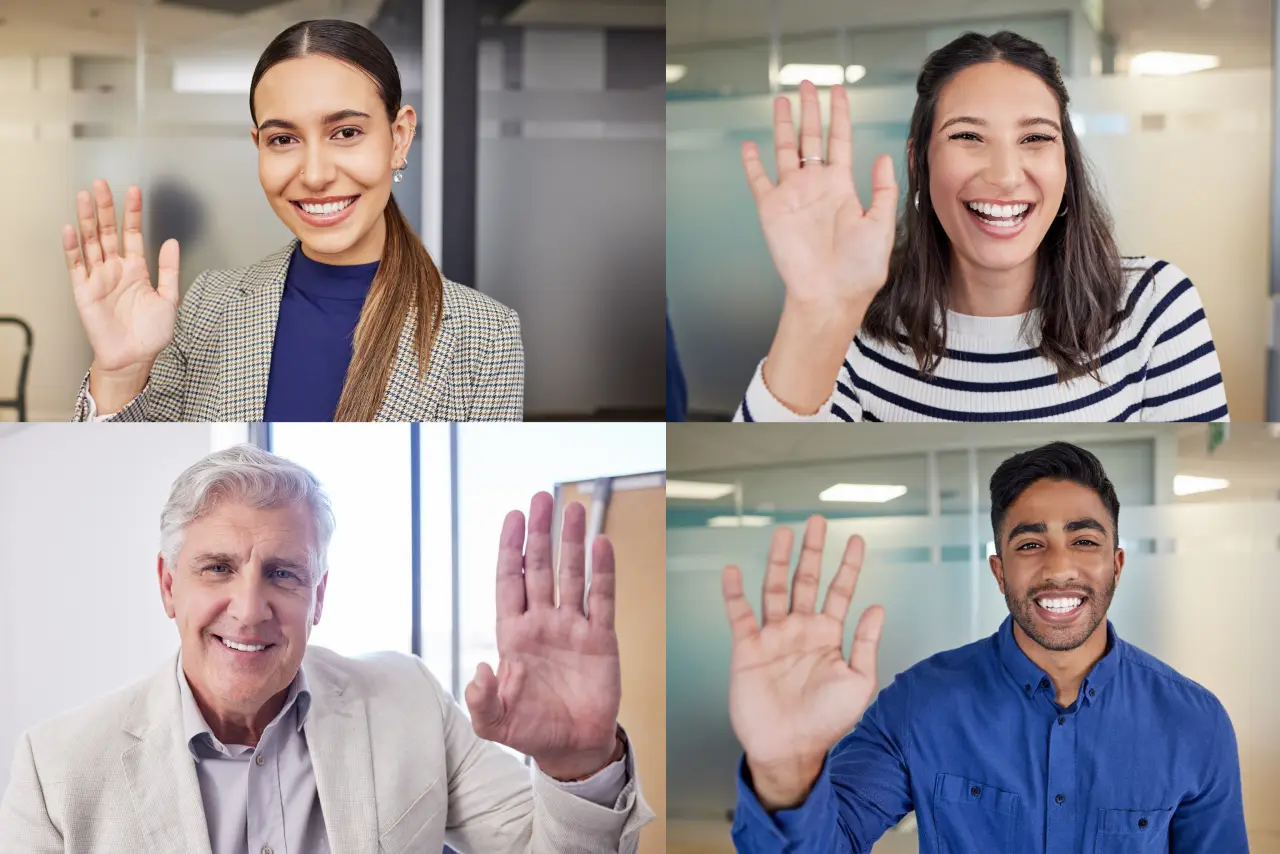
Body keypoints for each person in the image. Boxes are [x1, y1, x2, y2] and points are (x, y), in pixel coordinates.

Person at [0, 445, 652, 852]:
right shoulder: (56, 768)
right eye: (218, 568)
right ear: (169, 586)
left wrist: (576, 762)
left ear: (318, 597)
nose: (250, 609)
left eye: (283, 573)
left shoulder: (408, 700)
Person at [721, 442, 1246, 852]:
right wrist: (785, 770)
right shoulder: (919, 703)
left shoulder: (1195, 723)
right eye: (1030, 544)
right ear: (999, 572)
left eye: (1085, 541)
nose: (1059, 567)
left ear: (1117, 564)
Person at [734, 31, 1227, 423]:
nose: (1006, 176)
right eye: (968, 135)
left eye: (1035, 137)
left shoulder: (1154, 308)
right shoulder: (855, 326)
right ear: (919, 161)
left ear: (1066, 164)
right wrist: (818, 314)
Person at [62, 19, 522, 423]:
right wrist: (119, 375)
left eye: (346, 133)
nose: (316, 175)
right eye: (283, 139)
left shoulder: (485, 335)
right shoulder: (209, 305)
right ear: (258, 146)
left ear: (398, 137)